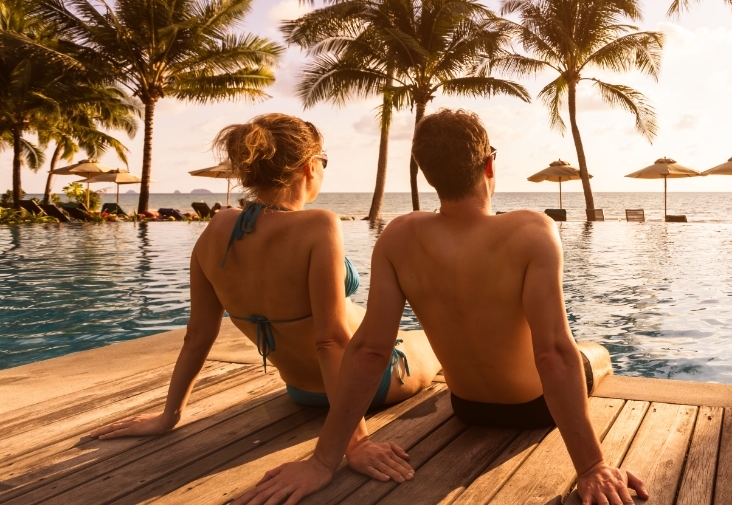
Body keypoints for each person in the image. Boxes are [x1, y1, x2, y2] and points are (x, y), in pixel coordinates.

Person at [237, 109, 647, 505]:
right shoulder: (531, 230)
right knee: (594, 353)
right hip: (533, 409)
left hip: (466, 407)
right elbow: (552, 353)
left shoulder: (399, 236)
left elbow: (369, 351)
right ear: (489, 165)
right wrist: (592, 465)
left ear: (426, 172)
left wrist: (323, 461)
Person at [91, 113, 439, 482]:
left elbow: (197, 335)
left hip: (300, 390)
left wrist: (169, 416)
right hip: (366, 387)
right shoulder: (320, 225)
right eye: (324, 161)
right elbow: (331, 341)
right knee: (434, 338)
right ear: (309, 166)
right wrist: (353, 445)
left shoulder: (216, 229)